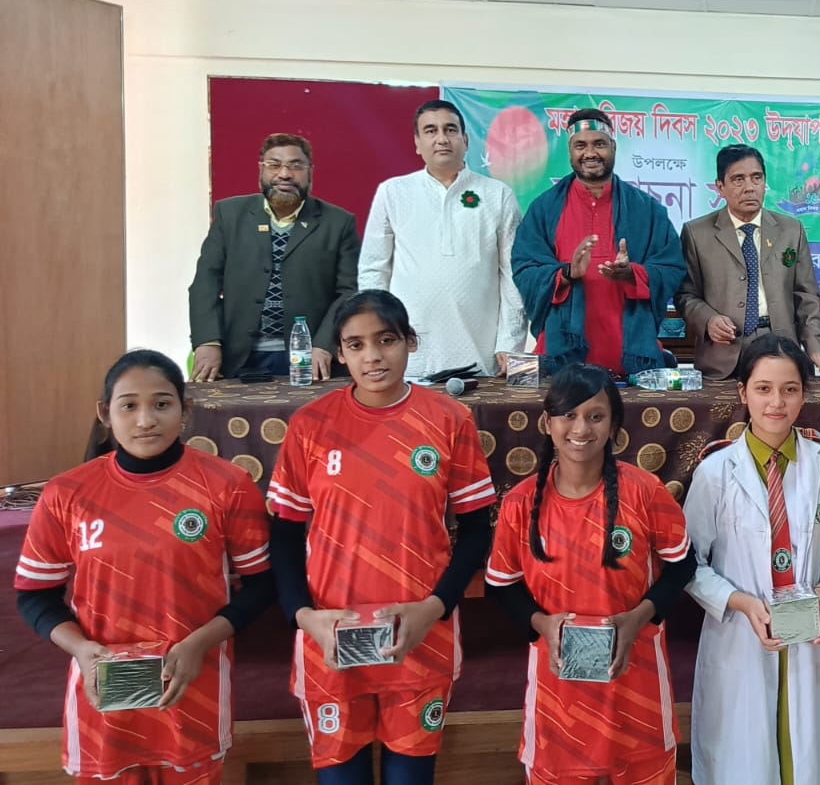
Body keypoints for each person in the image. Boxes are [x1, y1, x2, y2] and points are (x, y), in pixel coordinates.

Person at [267, 290, 497, 784]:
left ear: (410, 342)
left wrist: (435, 608)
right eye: (356, 345)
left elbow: (478, 530)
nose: (372, 356)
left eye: (386, 340)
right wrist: (305, 618)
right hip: (331, 637)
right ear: (340, 353)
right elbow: (283, 534)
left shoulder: (449, 420)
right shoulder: (310, 426)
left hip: (420, 636)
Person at [14, 349, 274, 783]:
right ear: (105, 413)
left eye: (162, 404)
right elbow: (34, 594)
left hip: (192, 687)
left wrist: (198, 645)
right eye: (129, 405)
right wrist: (82, 650)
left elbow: (262, 585)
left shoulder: (227, 485)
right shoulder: (67, 494)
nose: (145, 420)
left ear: (185, 411)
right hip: (103, 696)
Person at [484, 364, 695, 785]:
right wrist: (542, 624)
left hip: (636, 686)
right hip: (558, 696)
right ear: (548, 423)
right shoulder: (520, 504)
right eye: (569, 415)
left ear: (614, 426)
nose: (581, 428)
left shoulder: (645, 491)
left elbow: (682, 566)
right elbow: (502, 586)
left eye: (596, 416)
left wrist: (638, 619)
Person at [682, 333, 820, 785]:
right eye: (763, 388)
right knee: (746, 760)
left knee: (808, 757)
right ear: (743, 393)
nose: (776, 402)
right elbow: (689, 563)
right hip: (741, 635)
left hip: (812, 634)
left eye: (789, 389)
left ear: (804, 395)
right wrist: (740, 602)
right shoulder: (715, 471)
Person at [511, 108, 686, 377]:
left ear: (614, 147)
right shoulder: (544, 209)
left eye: (599, 144)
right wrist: (566, 274)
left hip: (632, 358)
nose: (590, 153)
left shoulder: (647, 210)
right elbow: (525, 268)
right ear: (570, 152)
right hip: (563, 357)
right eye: (580, 145)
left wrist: (633, 274)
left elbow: (672, 268)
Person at [358, 100, 525, 379]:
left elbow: (513, 276)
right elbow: (373, 270)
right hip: (407, 353)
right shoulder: (393, 192)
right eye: (431, 131)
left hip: (481, 351)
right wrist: (377, 337)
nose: (442, 139)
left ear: (465, 140)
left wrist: (510, 343)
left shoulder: (498, 195)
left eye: (450, 129)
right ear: (417, 143)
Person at [189, 132, 360, 380]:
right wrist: (208, 341)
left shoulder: (338, 223)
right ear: (261, 170)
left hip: (311, 356)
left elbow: (348, 292)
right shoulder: (230, 215)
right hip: (238, 354)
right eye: (274, 165)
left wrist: (325, 344)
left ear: (310, 172)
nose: (284, 174)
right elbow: (205, 282)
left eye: (295, 166)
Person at [678, 144, 820, 379]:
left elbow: (806, 295)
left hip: (782, 347)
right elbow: (685, 295)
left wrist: (815, 344)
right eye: (738, 180)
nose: (749, 187)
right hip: (724, 355)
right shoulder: (696, 233)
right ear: (720, 187)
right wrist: (708, 320)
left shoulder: (791, 230)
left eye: (756, 178)